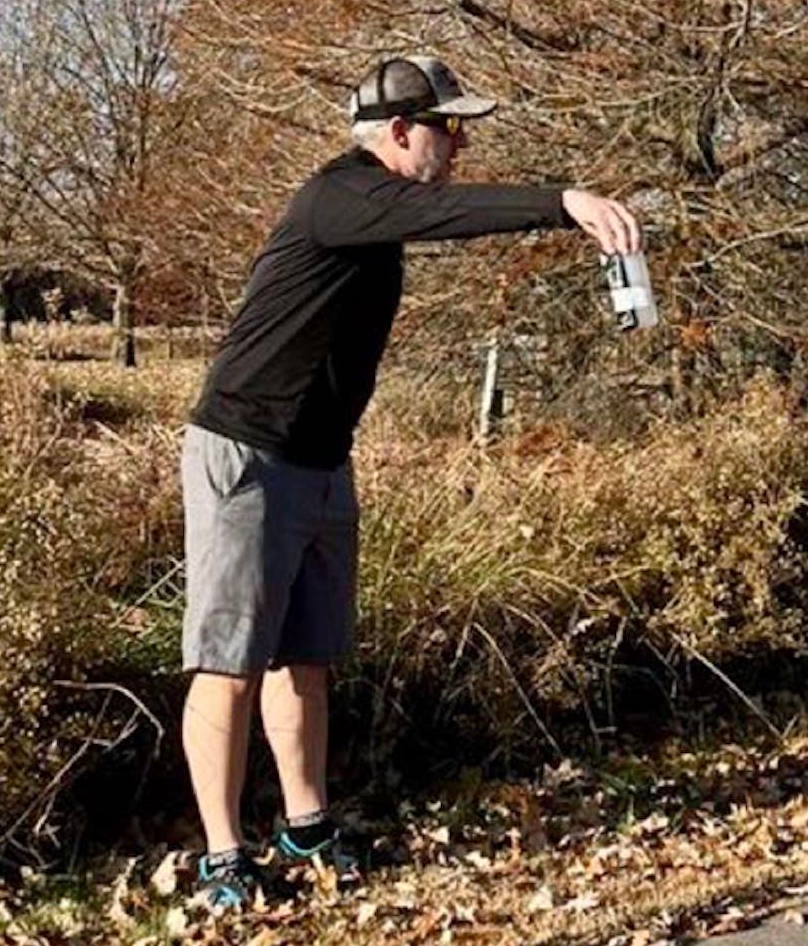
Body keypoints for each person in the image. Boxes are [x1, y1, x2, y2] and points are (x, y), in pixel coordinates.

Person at [179, 56, 641, 911]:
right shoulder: (342, 196)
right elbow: (445, 212)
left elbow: (431, 210)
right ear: (398, 133)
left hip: (320, 460)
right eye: (448, 127)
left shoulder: (374, 216)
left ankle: (306, 824)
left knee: (305, 657)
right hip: (245, 456)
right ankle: (222, 856)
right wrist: (563, 203)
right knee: (230, 664)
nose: (458, 145)